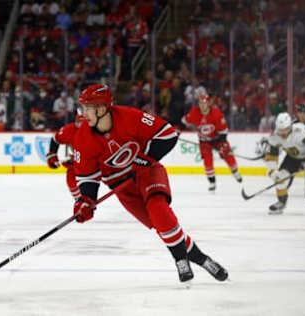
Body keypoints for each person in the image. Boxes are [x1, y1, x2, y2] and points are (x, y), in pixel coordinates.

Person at [71, 84, 228, 284]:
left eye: (87, 108)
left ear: (101, 109)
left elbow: (168, 134)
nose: (83, 113)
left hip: (147, 172)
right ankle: (202, 259)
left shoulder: (129, 117)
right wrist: (85, 202)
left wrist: (145, 159)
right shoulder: (83, 138)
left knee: (158, 209)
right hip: (122, 187)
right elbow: (87, 178)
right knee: (162, 226)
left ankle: (180, 259)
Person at [264, 112, 305, 215]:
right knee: (280, 179)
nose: (283, 133)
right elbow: (271, 157)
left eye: (285, 129)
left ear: (290, 126)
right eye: (280, 130)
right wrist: (273, 171)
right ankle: (281, 202)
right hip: (292, 159)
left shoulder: (301, 131)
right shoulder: (274, 137)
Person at [182, 93, 242, 191]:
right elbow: (184, 121)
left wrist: (214, 140)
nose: (202, 105)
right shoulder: (194, 112)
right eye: (200, 103)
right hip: (204, 141)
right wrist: (178, 129)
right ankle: (212, 182)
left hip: (218, 138)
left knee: (227, 154)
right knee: (207, 161)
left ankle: (235, 172)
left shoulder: (216, 113)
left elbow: (224, 133)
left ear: (209, 103)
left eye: (204, 102)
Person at [46, 109, 85, 200]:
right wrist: (52, 155)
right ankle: (79, 200)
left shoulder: (97, 130)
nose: (81, 125)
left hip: (95, 160)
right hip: (78, 160)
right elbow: (55, 139)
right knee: (71, 179)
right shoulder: (69, 130)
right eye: (78, 122)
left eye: (83, 122)